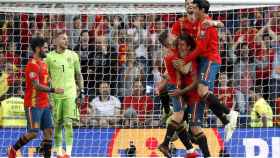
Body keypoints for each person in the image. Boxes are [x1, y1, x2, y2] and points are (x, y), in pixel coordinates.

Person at [172, 0, 238, 142]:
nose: (192, 8)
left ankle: (230, 113)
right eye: (190, 5)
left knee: (202, 92)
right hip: (202, 62)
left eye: (195, 6)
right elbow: (220, 24)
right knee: (206, 96)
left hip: (209, 60)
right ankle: (227, 121)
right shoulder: (198, 22)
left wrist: (185, 60)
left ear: (201, 9)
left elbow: (201, 48)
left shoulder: (203, 23)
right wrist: (216, 23)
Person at [7, 37, 64, 158]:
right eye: (45, 48)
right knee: (33, 133)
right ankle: (13, 149)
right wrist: (54, 90)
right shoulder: (32, 65)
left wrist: (49, 101)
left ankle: (46, 155)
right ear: (38, 49)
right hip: (33, 105)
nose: (47, 50)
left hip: (45, 105)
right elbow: (37, 86)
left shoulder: (43, 64)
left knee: (49, 132)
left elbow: (45, 83)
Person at [158, 33, 199, 158]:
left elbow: (167, 74)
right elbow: (185, 70)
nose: (174, 36)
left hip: (178, 87)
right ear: (168, 43)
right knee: (179, 115)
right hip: (177, 87)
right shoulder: (172, 55)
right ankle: (165, 144)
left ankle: (190, 150)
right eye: (171, 36)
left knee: (180, 120)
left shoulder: (174, 52)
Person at [45, 31, 84, 158]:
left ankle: (68, 153)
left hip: (70, 93)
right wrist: (48, 96)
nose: (66, 41)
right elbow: (46, 78)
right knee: (57, 125)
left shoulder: (73, 55)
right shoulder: (49, 58)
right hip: (56, 96)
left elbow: (79, 75)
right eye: (63, 39)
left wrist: (81, 92)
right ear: (55, 41)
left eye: (67, 39)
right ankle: (59, 153)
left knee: (68, 122)